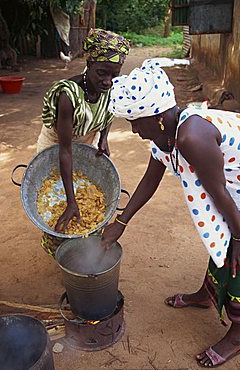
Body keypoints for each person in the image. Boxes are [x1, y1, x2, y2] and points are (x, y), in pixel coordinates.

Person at [101, 59, 240, 368]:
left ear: (159, 116)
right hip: (232, 194)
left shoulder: (192, 138)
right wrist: (120, 222)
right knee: (221, 239)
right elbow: (151, 178)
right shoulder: (167, 133)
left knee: (237, 262)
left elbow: (222, 198)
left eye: (136, 122)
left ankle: (238, 333)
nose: (135, 130)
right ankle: (207, 295)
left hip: (236, 197)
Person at [36, 28, 130, 256]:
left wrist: (104, 137)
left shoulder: (108, 88)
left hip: (85, 141)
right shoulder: (68, 96)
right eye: (102, 73)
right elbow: (65, 151)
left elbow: (109, 111)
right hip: (57, 147)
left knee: (85, 191)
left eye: (113, 74)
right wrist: (71, 201)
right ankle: (55, 245)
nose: (108, 81)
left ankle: (81, 240)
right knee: (56, 198)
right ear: (89, 63)